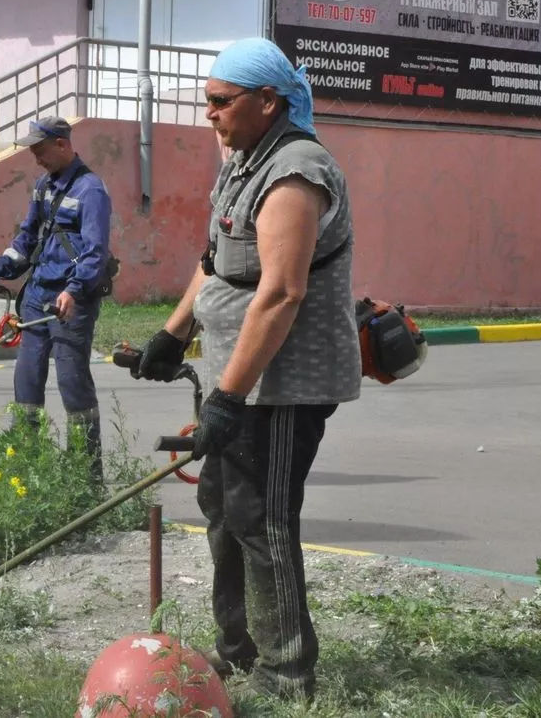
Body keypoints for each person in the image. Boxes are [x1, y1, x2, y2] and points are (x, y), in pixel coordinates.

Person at [135, 38, 361, 701]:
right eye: (206, 100)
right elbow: (216, 261)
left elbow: (283, 291)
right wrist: (173, 334)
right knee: (223, 508)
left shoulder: (296, 173)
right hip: (239, 376)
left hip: (283, 384)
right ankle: (237, 653)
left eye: (219, 101)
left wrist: (229, 397)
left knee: (261, 518)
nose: (208, 113)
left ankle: (286, 674)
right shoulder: (242, 162)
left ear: (268, 102)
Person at [0, 115, 113, 486]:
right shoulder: (43, 187)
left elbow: (96, 253)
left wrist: (74, 290)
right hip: (36, 297)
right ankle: (25, 467)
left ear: (62, 144)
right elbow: (26, 240)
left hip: (69, 303)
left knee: (73, 384)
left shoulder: (91, 191)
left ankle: (85, 477)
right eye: (33, 151)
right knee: (27, 383)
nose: (36, 158)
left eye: (40, 150)